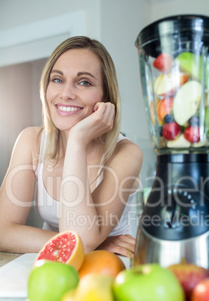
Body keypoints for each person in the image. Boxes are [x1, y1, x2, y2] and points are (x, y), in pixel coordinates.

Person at [0, 36, 143, 257]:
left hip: (109, 269)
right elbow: (3, 232)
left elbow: (82, 241)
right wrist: (93, 244)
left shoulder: (126, 153)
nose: (66, 93)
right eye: (57, 79)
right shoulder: (31, 140)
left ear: (106, 96)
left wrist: (77, 141)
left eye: (84, 82)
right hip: (51, 263)